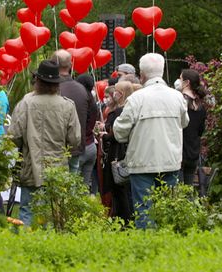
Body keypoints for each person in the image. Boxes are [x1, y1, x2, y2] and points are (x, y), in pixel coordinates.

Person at [113, 53, 189, 229]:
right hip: (170, 161)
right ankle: (168, 245)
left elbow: (119, 131)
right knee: (168, 209)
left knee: (144, 211)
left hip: (142, 162)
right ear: (161, 72)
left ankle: (148, 247)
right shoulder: (177, 96)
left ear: (142, 74)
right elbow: (184, 123)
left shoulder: (136, 98)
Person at [9, 60, 81, 226]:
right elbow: (75, 139)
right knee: (53, 214)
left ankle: (26, 247)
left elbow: (13, 135)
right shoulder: (67, 106)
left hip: (30, 166)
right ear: (57, 83)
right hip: (57, 169)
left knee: (27, 210)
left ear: (38, 81)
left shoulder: (25, 104)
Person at [98, 80, 136, 223]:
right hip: (126, 152)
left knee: (119, 189)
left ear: (121, 94)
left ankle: (123, 219)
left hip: (117, 154)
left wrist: (105, 135)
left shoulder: (120, 111)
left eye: (116, 92)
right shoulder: (128, 108)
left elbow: (117, 134)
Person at [51, 50, 90, 173]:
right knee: (72, 186)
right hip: (76, 147)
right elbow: (90, 117)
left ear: (53, 64)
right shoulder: (82, 89)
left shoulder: (52, 89)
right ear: (70, 65)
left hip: (55, 147)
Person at [179, 69, 207, 187]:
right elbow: (201, 130)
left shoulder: (180, 100)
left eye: (180, 80)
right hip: (193, 151)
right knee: (188, 190)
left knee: (177, 192)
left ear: (187, 82)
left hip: (179, 151)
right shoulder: (201, 105)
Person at [75, 73, 98, 192]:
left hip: (81, 147)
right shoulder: (93, 103)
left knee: (74, 186)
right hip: (91, 145)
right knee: (84, 186)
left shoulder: (81, 103)